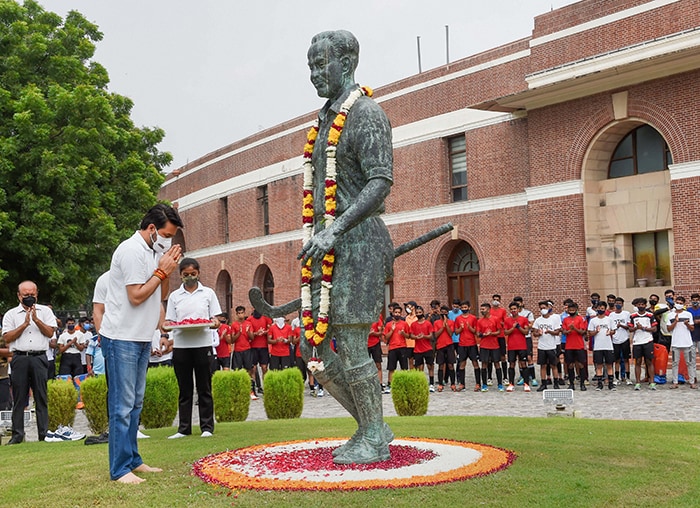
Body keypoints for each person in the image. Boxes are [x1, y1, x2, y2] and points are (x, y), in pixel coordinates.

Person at [295, 30, 395, 464]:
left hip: (358, 242)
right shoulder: (324, 121)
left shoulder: (367, 113)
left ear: (347, 63)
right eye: (311, 67)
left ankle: (373, 435)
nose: (316, 75)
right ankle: (372, 426)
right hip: (327, 245)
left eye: (323, 65)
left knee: (352, 343)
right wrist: (321, 231)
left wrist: (335, 229)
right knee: (310, 345)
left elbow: (380, 181)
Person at [99, 203, 183, 483]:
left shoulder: (154, 250)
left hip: (140, 336)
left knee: (135, 404)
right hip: (122, 336)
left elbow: (160, 294)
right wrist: (161, 272)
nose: (169, 241)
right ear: (151, 229)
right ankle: (119, 469)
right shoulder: (132, 250)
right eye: (167, 235)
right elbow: (136, 295)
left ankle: (133, 460)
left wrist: (167, 271)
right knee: (121, 406)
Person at [165, 257, 221, 439]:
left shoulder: (208, 293)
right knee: (185, 388)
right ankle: (183, 428)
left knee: (204, 387)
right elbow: (169, 321)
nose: (189, 277)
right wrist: (166, 328)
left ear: (198, 273)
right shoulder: (175, 296)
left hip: (203, 343)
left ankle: (207, 427)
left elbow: (216, 319)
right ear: (180, 275)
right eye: (185, 275)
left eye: (193, 274)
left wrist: (214, 323)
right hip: (181, 345)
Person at [2, 281, 57, 444]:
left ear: (37, 294)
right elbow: (7, 337)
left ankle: (43, 433)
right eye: (26, 295)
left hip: (39, 357)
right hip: (20, 357)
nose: (29, 297)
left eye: (32, 294)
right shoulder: (11, 314)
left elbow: (49, 333)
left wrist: (36, 320)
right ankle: (17, 434)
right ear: (19, 296)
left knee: (41, 396)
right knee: (19, 398)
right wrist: (25, 323)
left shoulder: (45, 311)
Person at [666, 296, 696, 389]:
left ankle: (691, 381)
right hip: (675, 343)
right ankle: (675, 381)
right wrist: (675, 321)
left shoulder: (688, 314)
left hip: (687, 342)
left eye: (680, 303)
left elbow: (692, 328)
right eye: (677, 302)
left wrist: (686, 323)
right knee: (675, 362)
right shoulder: (670, 315)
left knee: (689, 362)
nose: (678, 304)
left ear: (683, 304)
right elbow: (669, 329)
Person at [532, 300, 562, 391]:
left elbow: (557, 332)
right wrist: (538, 333)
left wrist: (550, 332)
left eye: (544, 308)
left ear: (548, 308)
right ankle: (543, 383)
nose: (542, 310)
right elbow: (534, 332)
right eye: (541, 308)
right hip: (542, 346)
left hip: (551, 346)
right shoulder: (538, 320)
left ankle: (556, 383)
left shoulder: (553, 319)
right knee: (543, 366)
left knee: (554, 365)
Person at [230, 306, 258, 400]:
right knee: (237, 371)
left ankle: (251, 391)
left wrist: (247, 332)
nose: (241, 315)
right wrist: (239, 333)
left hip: (247, 350)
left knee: (249, 370)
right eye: (239, 313)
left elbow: (252, 338)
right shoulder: (234, 325)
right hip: (238, 350)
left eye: (242, 313)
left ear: (244, 313)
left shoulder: (248, 324)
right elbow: (232, 340)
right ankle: (238, 391)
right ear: (237, 314)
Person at [629, 297, 657, 390]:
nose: (641, 306)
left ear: (645, 305)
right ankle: (637, 382)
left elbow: (654, 329)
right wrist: (636, 328)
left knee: (649, 362)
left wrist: (643, 328)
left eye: (642, 304)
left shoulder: (650, 315)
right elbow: (630, 329)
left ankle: (652, 382)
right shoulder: (633, 316)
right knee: (638, 362)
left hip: (648, 340)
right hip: (637, 341)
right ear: (636, 306)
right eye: (639, 305)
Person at [503, 302, 531, 392]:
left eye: (515, 309)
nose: (513, 311)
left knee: (523, 364)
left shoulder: (523, 319)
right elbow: (506, 332)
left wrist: (518, 327)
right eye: (511, 309)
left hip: (522, 345)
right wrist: (513, 328)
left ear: (518, 309)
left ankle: (526, 383)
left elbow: (526, 332)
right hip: (511, 346)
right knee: (511, 364)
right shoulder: (507, 320)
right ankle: (511, 383)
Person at [588, 301, 615, 391]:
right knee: (599, 365)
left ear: (605, 309)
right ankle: (600, 384)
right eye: (599, 308)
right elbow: (590, 333)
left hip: (608, 345)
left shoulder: (609, 319)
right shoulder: (593, 320)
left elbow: (613, 330)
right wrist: (596, 331)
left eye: (602, 308)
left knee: (609, 365)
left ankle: (610, 383)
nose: (600, 310)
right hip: (598, 346)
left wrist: (610, 332)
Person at [561, 302, 588, 391]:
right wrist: (568, 331)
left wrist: (574, 328)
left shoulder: (580, 319)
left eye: (573, 309)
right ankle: (571, 383)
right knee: (570, 365)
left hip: (579, 345)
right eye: (570, 310)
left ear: (576, 310)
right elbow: (564, 331)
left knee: (581, 364)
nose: (571, 311)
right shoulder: (565, 319)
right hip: (569, 345)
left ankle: (582, 383)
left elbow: (582, 332)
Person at [382, 305, 409, 393]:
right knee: (391, 368)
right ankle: (390, 385)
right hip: (392, 348)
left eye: (399, 313)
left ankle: (405, 385)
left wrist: (403, 333)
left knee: (404, 367)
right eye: (395, 312)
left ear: (401, 314)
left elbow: (408, 335)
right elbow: (386, 336)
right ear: (393, 313)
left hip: (402, 347)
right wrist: (392, 330)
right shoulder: (389, 324)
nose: (397, 314)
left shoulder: (404, 324)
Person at [475, 303, 501, 392]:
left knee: (497, 363)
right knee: (484, 364)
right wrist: (483, 334)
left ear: (488, 309)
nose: (481, 311)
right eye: (481, 309)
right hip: (484, 345)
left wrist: (492, 333)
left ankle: (500, 384)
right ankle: (484, 384)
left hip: (494, 345)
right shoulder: (479, 321)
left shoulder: (495, 319)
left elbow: (499, 332)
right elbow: (478, 334)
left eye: (483, 309)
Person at [454, 301, 479, 392]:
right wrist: (461, 328)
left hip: (472, 344)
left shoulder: (473, 318)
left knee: (475, 363)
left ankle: (478, 384)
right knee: (462, 364)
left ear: (469, 307)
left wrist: (469, 327)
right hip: (462, 344)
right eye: (462, 307)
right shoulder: (458, 318)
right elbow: (456, 332)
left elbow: (475, 331)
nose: (464, 309)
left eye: (465, 307)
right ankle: (462, 384)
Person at [410, 306, 436, 392]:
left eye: (420, 313)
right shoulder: (413, 324)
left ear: (423, 312)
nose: (418, 314)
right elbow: (411, 335)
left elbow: (431, 336)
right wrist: (416, 337)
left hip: (427, 348)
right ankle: (421, 383)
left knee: (430, 366)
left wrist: (424, 336)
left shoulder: (428, 324)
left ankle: (431, 384)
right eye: (417, 313)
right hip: (417, 349)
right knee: (419, 367)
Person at [609, 297, 632, 385]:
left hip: (624, 339)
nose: (618, 305)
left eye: (619, 303)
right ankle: (617, 377)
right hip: (615, 340)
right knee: (617, 360)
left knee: (626, 359)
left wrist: (621, 325)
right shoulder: (611, 315)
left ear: (622, 304)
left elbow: (629, 326)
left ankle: (627, 377)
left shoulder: (626, 314)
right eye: (616, 303)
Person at [433, 305, 456, 391]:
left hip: (449, 345)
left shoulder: (451, 322)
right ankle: (440, 384)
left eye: (445, 312)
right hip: (440, 346)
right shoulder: (436, 323)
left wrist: (446, 325)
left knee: (450, 365)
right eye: (442, 312)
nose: (443, 314)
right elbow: (436, 335)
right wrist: (442, 326)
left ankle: (453, 383)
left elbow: (450, 334)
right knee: (441, 366)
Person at [367, 314, 385, 390]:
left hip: (375, 344)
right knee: (366, 366)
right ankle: (368, 384)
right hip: (365, 344)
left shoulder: (377, 317)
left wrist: (373, 333)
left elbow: (380, 333)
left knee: (378, 365)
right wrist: (368, 334)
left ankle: (379, 384)